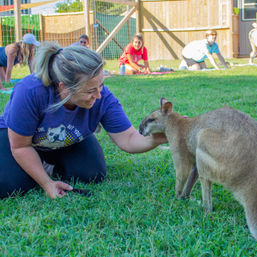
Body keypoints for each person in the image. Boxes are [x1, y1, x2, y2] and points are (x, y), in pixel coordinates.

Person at [0, 42, 166, 199]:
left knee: (92, 173)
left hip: (63, 140)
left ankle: (46, 164)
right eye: (90, 91)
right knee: (11, 184)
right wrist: (46, 183)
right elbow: (21, 146)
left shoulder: (102, 97)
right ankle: (37, 166)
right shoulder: (30, 91)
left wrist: (161, 136)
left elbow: (129, 138)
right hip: (20, 141)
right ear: (63, 87)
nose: (98, 95)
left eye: (101, 85)